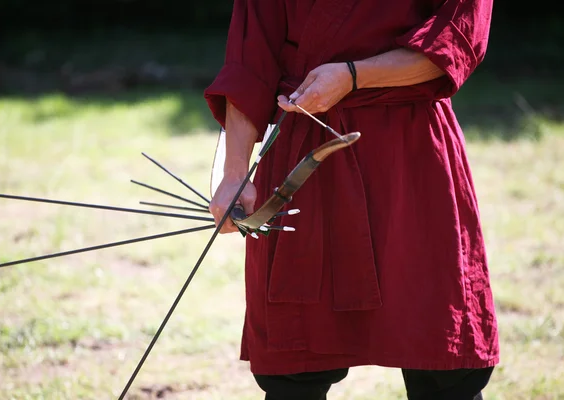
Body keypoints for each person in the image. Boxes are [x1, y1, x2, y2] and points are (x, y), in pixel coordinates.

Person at [204, 0, 499, 399]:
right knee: (294, 365)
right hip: (304, 160)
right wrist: (234, 173)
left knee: (442, 360)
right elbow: (248, 64)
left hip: (410, 154)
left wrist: (354, 76)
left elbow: (454, 40)